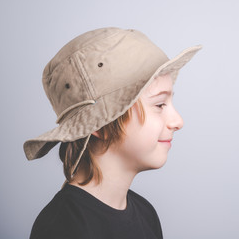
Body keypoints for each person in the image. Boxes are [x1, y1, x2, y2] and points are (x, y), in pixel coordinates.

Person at [23, 27, 201, 239]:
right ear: (99, 124)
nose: (178, 121)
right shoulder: (62, 228)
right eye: (160, 104)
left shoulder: (145, 214)